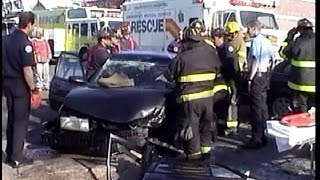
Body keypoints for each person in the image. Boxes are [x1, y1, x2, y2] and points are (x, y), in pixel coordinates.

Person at [164, 26, 221, 160]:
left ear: (188, 41)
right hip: (208, 99)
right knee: (205, 128)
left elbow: (168, 75)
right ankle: (206, 155)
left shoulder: (183, 57)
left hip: (191, 100)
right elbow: (218, 70)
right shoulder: (211, 52)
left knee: (192, 131)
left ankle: (194, 161)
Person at [2, 12, 39, 168]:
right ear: (29, 24)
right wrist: (34, 89)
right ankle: (17, 158)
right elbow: (27, 70)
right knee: (20, 122)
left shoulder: (5, 40)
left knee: (11, 119)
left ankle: (10, 153)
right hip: (20, 86)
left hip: (7, 84)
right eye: (33, 25)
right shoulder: (25, 43)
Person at [244, 20, 274, 149]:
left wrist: (250, 78)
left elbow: (255, 60)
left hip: (258, 76)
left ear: (254, 28)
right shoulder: (267, 41)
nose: (247, 32)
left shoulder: (256, 41)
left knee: (256, 108)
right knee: (263, 106)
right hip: (265, 74)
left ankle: (256, 139)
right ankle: (264, 135)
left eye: (248, 29)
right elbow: (272, 60)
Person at [281, 18, 315, 113]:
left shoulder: (298, 42)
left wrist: (289, 37)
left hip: (300, 84)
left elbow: (283, 53)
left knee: (301, 109)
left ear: (300, 30)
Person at [211, 27, 240, 135]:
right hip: (223, 79)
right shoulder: (219, 48)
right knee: (223, 103)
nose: (213, 41)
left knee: (232, 102)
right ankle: (222, 124)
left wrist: (230, 80)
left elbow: (233, 67)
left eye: (214, 38)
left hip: (231, 80)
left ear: (220, 37)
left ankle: (232, 127)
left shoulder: (228, 48)